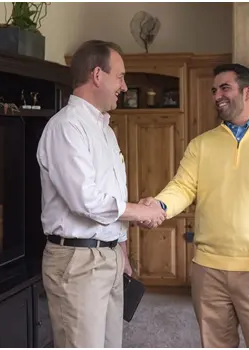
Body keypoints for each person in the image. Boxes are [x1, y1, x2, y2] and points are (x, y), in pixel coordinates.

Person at [139, 63, 249, 348]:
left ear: (247, 92)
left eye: (225, 88)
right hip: (208, 271)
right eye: (214, 90)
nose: (217, 95)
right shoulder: (201, 145)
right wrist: (158, 205)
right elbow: (182, 187)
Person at [36, 40, 166, 348]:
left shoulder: (106, 131)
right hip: (77, 262)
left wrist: (120, 250)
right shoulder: (66, 128)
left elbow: (112, 192)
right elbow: (85, 200)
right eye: (120, 76)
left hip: (106, 257)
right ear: (97, 75)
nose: (124, 86)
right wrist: (142, 211)